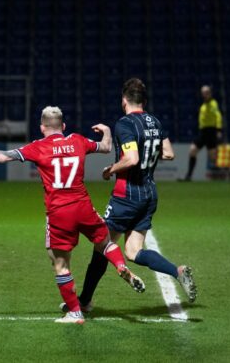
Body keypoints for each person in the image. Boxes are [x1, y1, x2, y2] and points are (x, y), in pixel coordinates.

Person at [0, 106, 145, 324]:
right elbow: (106, 147)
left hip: (59, 212)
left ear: (42, 127)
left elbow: (3, 157)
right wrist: (107, 130)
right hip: (83, 205)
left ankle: (74, 312)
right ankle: (120, 266)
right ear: (63, 126)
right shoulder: (78, 140)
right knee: (105, 243)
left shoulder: (38, 147)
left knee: (60, 263)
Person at [76, 78, 197, 312]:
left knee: (102, 245)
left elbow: (131, 159)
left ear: (124, 101)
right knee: (133, 251)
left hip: (126, 195)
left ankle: (84, 300)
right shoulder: (156, 121)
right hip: (149, 194)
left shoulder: (125, 124)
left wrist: (110, 169)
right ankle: (177, 271)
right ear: (144, 101)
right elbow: (170, 153)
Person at [181, 85, 223, 181]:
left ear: (210, 93)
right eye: (203, 92)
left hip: (211, 132)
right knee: (192, 151)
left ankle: (222, 176)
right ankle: (189, 176)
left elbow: (218, 116)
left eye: (206, 92)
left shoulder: (213, 104)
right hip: (203, 132)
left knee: (213, 157)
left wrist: (219, 130)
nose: (204, 94)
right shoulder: (203, 105)